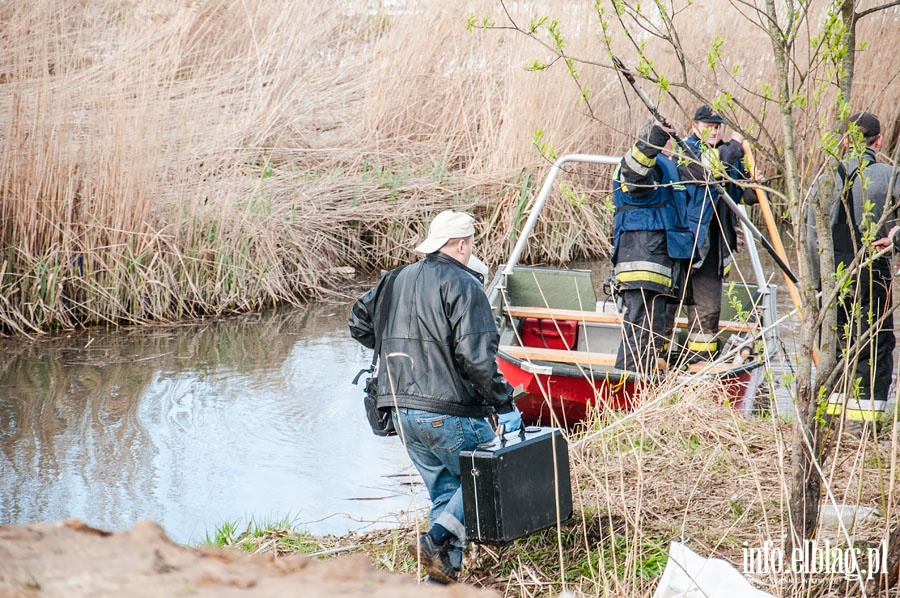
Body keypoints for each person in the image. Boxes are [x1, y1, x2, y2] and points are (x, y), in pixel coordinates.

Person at [348, 210, 520, 584]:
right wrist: (504, 404)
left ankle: (439, 581)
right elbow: (477, 358)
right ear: (461, 244)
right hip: (448, 411)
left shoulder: (395, 279)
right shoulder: (464, 283)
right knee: (487, 482)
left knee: (445, 494)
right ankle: (435, 540)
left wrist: (395, 346)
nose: (471, 248)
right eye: (470, 243)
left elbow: (358, 321)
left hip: (400, 411)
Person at [809, 112, 899, 427]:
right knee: (874, 344)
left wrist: (816, 284)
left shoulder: (823, 179)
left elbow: (810, 236)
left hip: (830, 276)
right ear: (879, 140)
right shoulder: (891, 175)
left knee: (834, 346)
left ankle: (829, 424)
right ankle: (864, 428)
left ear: (846, 141)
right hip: (872, 272)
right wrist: (895, 238)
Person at [674, 105, 756, 363]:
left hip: (713, 248)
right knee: (666, 304)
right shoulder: (687, 151)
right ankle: (658, 362)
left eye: (717, 126)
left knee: (708, 310)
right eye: (708, 126)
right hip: (686, 243)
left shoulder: (728, 156)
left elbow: (743, 194)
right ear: (694, 126)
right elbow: (708, 170)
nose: (713, 131)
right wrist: (734, 146)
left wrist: (754, 185)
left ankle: (700, 364)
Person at [611, 119, 694, 373]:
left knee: (651, 333)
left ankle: (642, 384)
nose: (671, 144)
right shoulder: (644, 167)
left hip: (660, 269)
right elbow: (634, 174)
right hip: (643, 264)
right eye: (668, 139)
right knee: (639, 332)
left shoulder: (666, 168)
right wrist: (656, 136)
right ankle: (627, 388)